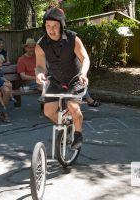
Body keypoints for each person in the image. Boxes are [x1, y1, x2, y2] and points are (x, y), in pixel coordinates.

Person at [35, 7, 90, 149]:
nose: (51, 30)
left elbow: (85, 59)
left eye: (54, 26)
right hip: (56, 79)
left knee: (73, 107)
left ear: (61, 25)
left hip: (75, 78)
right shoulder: (40, 45)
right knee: (48, 111)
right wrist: (39, 74)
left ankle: (78, 134)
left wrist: (83, 73)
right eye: (47, 26)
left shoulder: (73, 39)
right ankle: (67, 125)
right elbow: (40, 66)